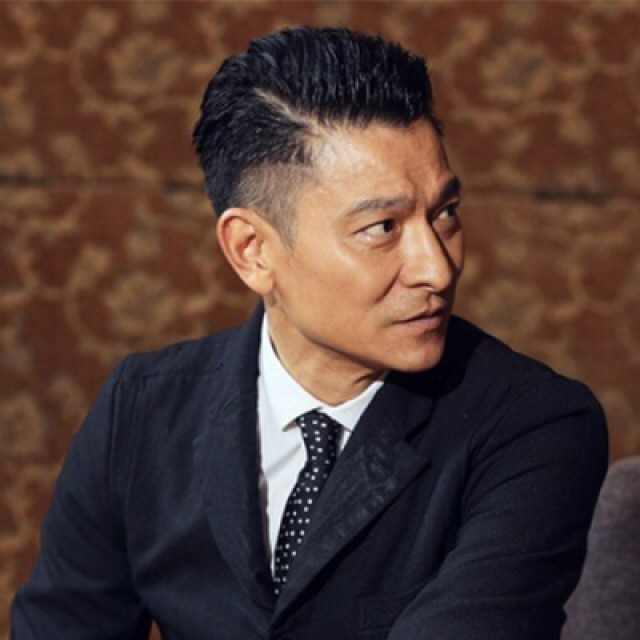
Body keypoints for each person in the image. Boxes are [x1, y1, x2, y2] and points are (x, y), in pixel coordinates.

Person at [11, 26, 607, 640]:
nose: (437, 267)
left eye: (445, 214)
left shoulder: (536, 425)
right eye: (382, 228)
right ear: (251, 250)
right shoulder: (143, 409)